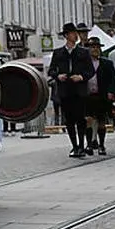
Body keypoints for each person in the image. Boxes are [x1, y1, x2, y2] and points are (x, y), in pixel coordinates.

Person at [46, 22, 94, 158]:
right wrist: (58, 76)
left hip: (79, 90)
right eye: (73, 33)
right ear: (66, 36)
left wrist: (81, 77)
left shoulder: (83, 52)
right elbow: (51, 70)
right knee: (69, 120)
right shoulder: (58, 53)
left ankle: (82, 145)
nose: (75, 35)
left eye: (76, 33)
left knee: (80, 119)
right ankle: (74, 146)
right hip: (65, 90)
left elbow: (90, 70)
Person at [83, 37, 115, 156]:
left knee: (101, 121)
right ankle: (89, 144)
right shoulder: (83, 63)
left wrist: (111, 92)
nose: (95, 49)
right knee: (88, 119)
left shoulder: (107, 63)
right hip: (88, 95)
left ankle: (101, 145)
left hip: (102, 95)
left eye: (97, 47)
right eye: (92, 47)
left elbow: (113, 79)